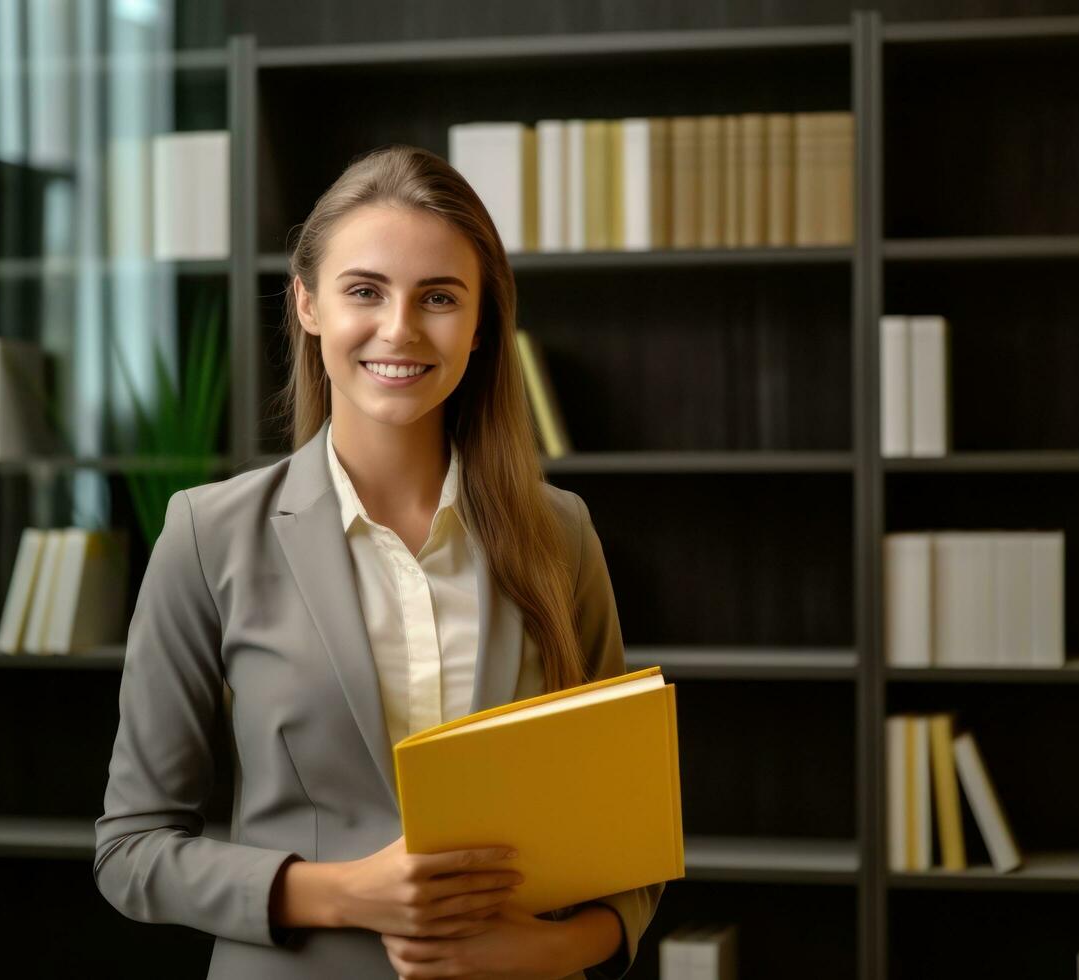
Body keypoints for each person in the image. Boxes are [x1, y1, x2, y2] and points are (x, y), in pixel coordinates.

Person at [94, 143, 665, 979]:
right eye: (365, 290)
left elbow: (628, 839)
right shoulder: (206, 534)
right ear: (308, 303)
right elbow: (132, 850)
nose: (399, 329)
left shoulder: (560, 533)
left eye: (439, 297)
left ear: (480, 326)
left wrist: (552, 949)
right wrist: (345, 893)